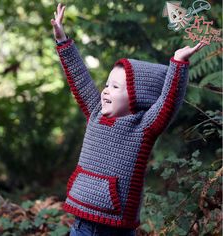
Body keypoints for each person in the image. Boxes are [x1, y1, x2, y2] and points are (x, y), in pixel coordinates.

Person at [51, 3, 206, 236]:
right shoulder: (95, 113)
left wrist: (178, 64)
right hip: (81, 224)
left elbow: (168, 102)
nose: (105, 91)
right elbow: (79, 77)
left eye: (115, 87)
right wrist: (63, 41)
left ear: (137, 96)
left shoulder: (143, 127)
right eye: (106, 84)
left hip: (116, 227)